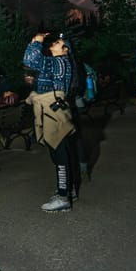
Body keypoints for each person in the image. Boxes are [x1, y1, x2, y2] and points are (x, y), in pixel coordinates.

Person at [23, 32, 80, 212]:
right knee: (59, 152)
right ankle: (67, 190)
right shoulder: (59, 64)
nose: (52, 44)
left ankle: (63, 197)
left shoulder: (59, 62)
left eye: (57, 43)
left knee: (60, 153)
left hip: (54, 111)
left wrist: (36, 41)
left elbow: (30, 60)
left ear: (64, 50)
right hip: (55, 109)